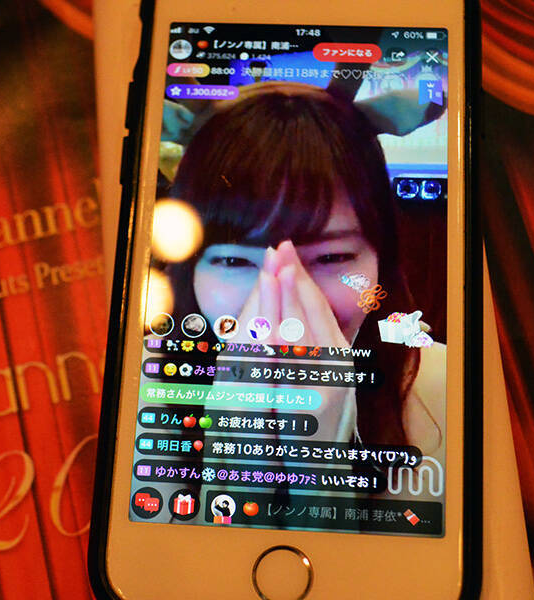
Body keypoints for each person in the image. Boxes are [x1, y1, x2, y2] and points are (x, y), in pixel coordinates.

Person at [160, 82, 445, 456]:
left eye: (331, 258)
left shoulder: (448, 387)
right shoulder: (142, 391)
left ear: (382, 259)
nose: (287, 306)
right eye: (235, 261)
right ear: (189, 270)